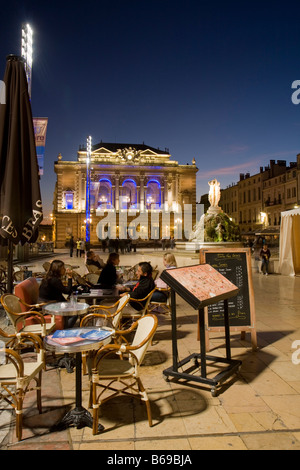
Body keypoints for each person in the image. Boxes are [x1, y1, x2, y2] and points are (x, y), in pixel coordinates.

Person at [39, 260, 77, 328]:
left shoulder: (49, 278)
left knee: (72, 309)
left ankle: (65, 326)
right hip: (47, 305)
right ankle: (65, 330)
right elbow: (67, 291)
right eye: (63, 268)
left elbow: (59, 293)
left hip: (49, 303)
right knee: (74, 314)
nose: (64, 270)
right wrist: (70, 277)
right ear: (58, 269)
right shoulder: (54, 280)